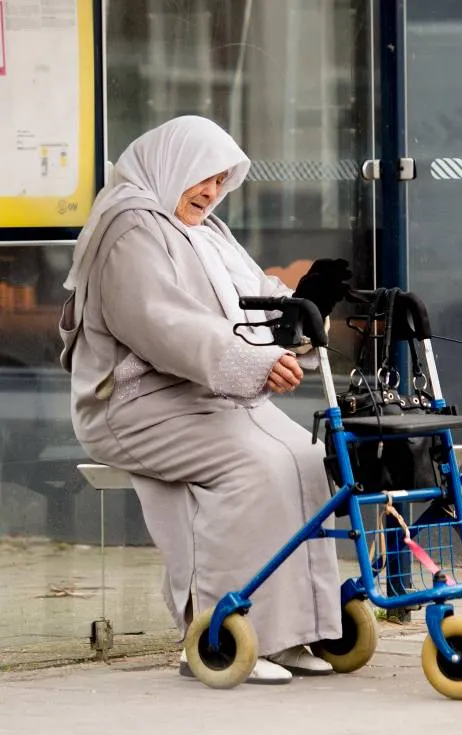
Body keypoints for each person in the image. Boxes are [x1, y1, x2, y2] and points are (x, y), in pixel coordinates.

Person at [58, 116, 353, 684]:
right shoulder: (127, 228)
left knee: (308, 457)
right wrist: (255, 362)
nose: (211, 192)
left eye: (221, 182)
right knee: (255, 465)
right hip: (133, 404)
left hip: (201, 397)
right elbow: (160, 325)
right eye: (204, 178)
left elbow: (251, 295)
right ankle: (221, 630)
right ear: (174, 165)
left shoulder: (203, 228)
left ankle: (287, 633)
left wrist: (300, 310)